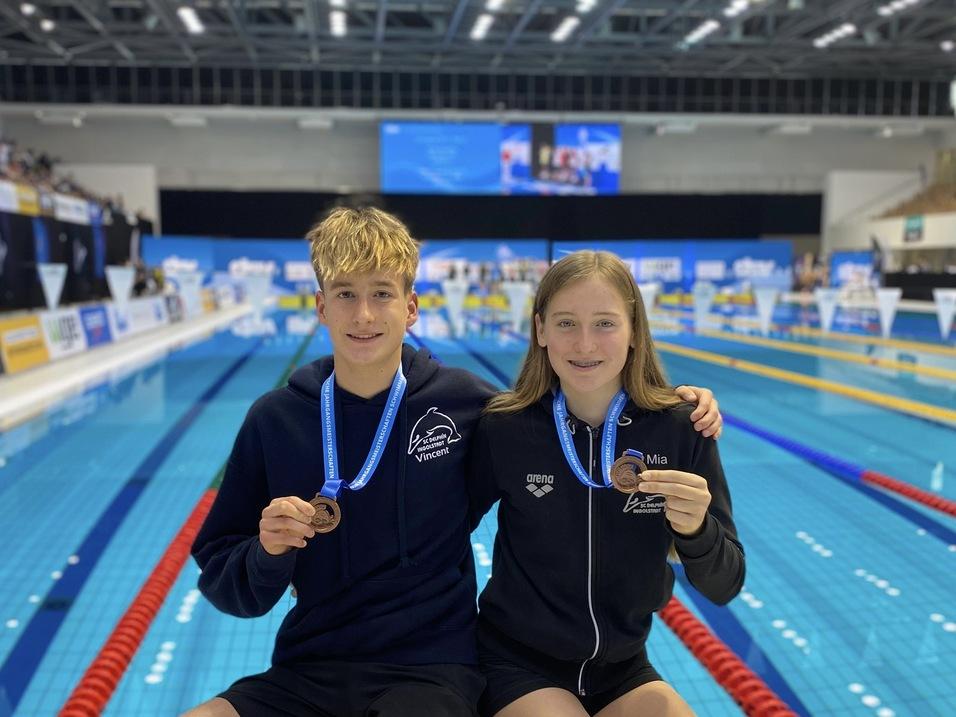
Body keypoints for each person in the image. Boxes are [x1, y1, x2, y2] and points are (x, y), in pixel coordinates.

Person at [185, 208, 723, 717]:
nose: (364, 314)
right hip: (308, 666)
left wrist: (673, 410)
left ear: (411, 307)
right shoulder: (275, 419)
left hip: (431, 669)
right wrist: (267, 551)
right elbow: (226, 582)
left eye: (381, 294)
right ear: (321, 306)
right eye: (345, 294)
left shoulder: (469, 406)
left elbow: (561, 424)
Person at [468, 250, 745, 717]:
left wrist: (697, 531)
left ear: (634, 330)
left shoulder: (681, 428)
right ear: (540, 330)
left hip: (622, 668)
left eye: (604, 323)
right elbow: (439, 530)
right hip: (516, 661)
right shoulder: (507, 429)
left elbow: (725, 586)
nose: (584, 344)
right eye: (565, 323)